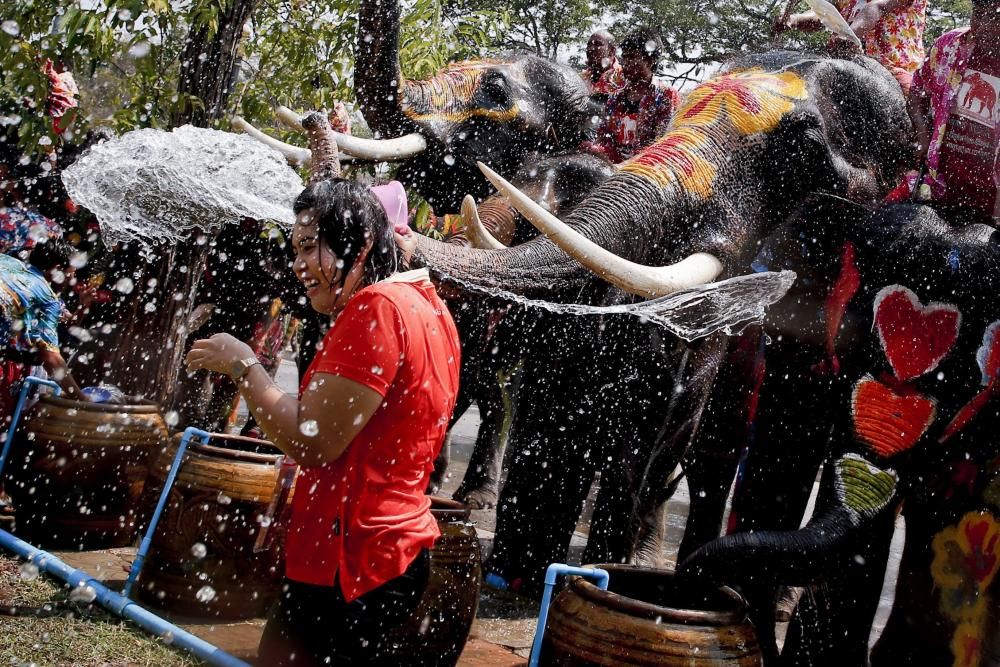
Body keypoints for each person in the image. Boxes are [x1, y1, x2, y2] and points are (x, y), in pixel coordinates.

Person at [185, 178, 462, 666]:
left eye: (310, 247)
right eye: (295, 249)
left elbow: (311, 441)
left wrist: (243, 364)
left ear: (362, 244)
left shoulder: (377, 309)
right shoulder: (429, 306)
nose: (297, 264)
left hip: (350, 564)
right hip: (392, 553)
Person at [904, 0, 999, 225]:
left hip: (991, 204)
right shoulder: (949, 45)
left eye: (995, 18)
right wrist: (922, 136)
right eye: (979, 14)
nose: (984, 25)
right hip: (939, 185)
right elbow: (916, 92)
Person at [782, 0, 928, 92]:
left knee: (915, 107)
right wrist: (794, 19)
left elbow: (876, 6)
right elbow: (825, 14)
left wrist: (850, 35)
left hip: (895, 67)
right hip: (843, 63)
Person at [587, 27, 680, 163]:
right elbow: (605, 142)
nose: (625, 63)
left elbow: (662, 146)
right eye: (624, 57)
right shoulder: (615, 99)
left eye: (631, 57)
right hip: (613, 173)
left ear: (650, 60)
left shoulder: (666, 96)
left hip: (648, 173)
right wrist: (593, 149)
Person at [581, 29, 625, 101]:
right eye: (589, 44)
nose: (591, 48)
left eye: (598, 44)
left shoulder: (624, 78)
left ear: (612, 51)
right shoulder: (581, 79)